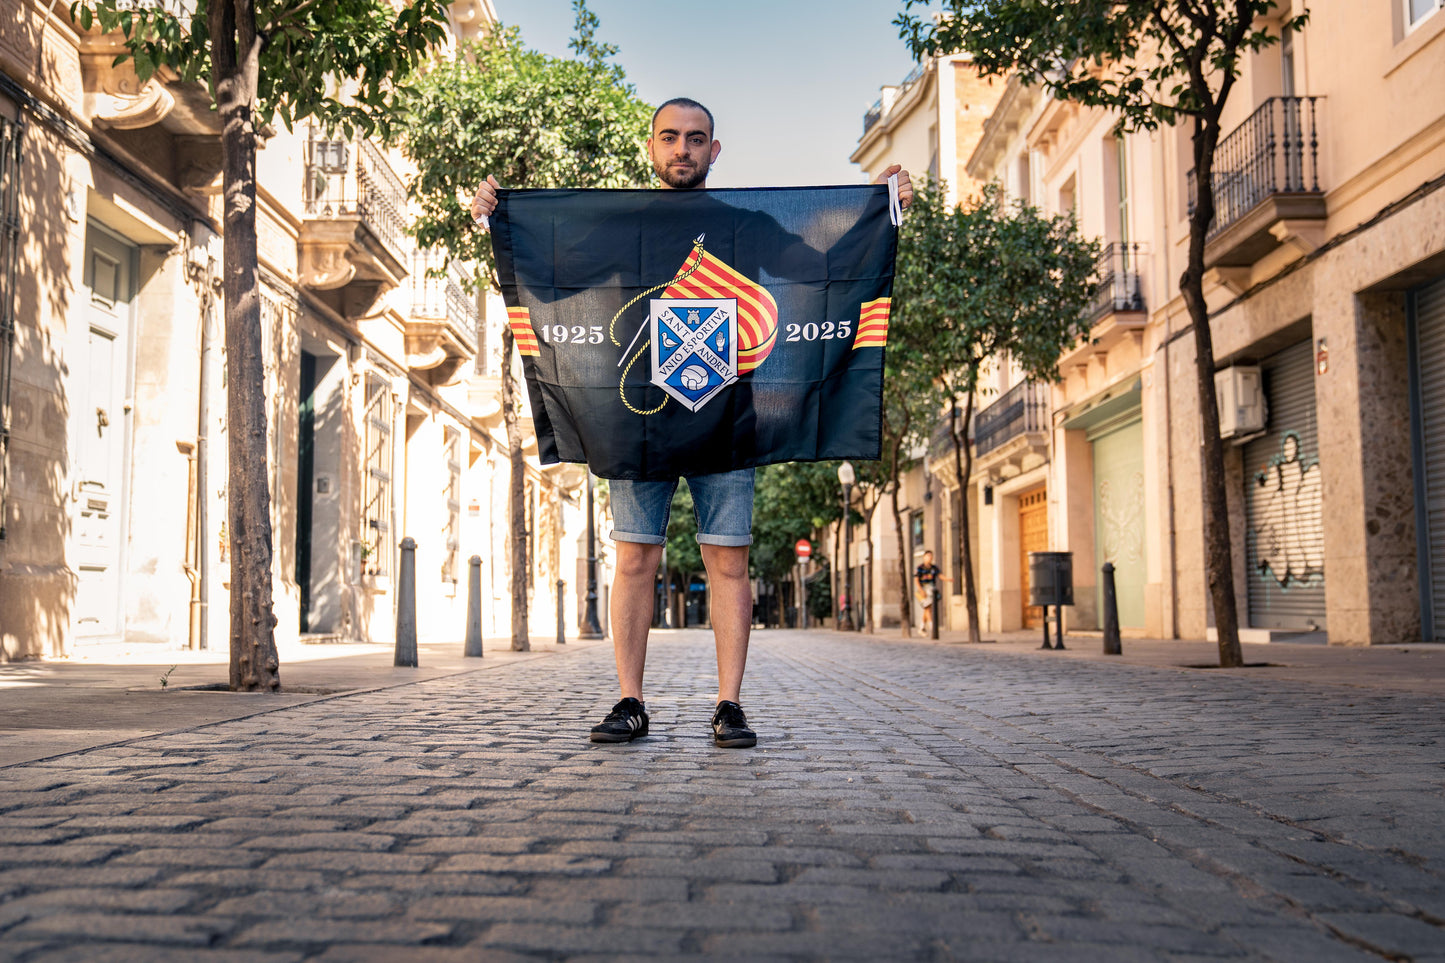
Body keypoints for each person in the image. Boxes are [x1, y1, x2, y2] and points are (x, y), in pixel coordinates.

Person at [473, 98, 912, 748]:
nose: (682, 148)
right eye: (670, 137)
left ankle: (728, 704)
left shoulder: (747, 224)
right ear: (651, 147)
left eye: (696, 138)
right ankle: (629, 700)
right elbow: (555, 275)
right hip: (637, 419)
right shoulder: (623, 226)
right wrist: (496, 220)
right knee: (634, 560)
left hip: (728, 415)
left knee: (728, 563)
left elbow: (820, 269)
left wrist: (883, 209)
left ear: (714, 150)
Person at [914, 550, 950, 635]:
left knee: (927, 608)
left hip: (932, 590)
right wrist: (921, 590)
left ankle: (922, 626)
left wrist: (948, 579)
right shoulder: (920, 568)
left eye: (931, 556)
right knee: (928, 607)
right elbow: (916, 580)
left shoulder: (934, 568)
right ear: (924, 557)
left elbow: (940, 575)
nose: (930, 558)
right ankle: (931, 625)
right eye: (928, 556)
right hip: (923, 589)